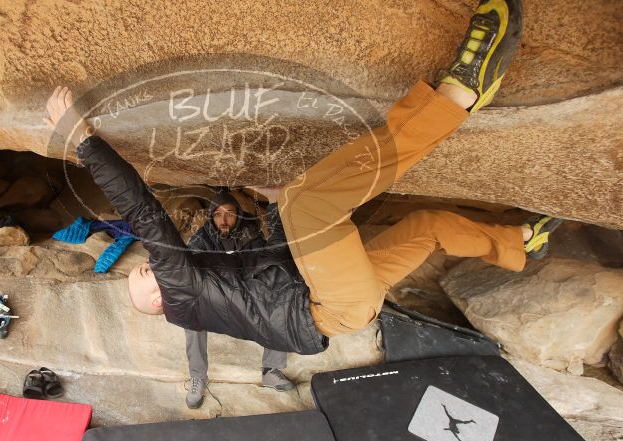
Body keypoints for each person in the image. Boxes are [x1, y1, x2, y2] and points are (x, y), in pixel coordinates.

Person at [45, 0, 560, 356]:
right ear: (160, 301)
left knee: (422, 225)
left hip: (338, 303)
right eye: (137, 282)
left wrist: (266, 208)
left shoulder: (207, 281)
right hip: (330, 305)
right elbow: (143, 213)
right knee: (307, 202)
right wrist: (84, 140)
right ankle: (457, 97)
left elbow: (266, 261)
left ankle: (518, 242)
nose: (135, 272)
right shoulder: (180, 293)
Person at [183, 190, 293, 409]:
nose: (224, 220)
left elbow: (266, 261)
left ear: (238, 216)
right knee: (190, 314)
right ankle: (198, 377)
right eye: (218, 215)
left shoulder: (250, 235)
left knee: (281, 302)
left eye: (230, 214)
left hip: (246, 294)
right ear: (211, 217)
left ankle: (270, 371)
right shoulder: (201, 239)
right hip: (214, 298)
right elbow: (188, 268)